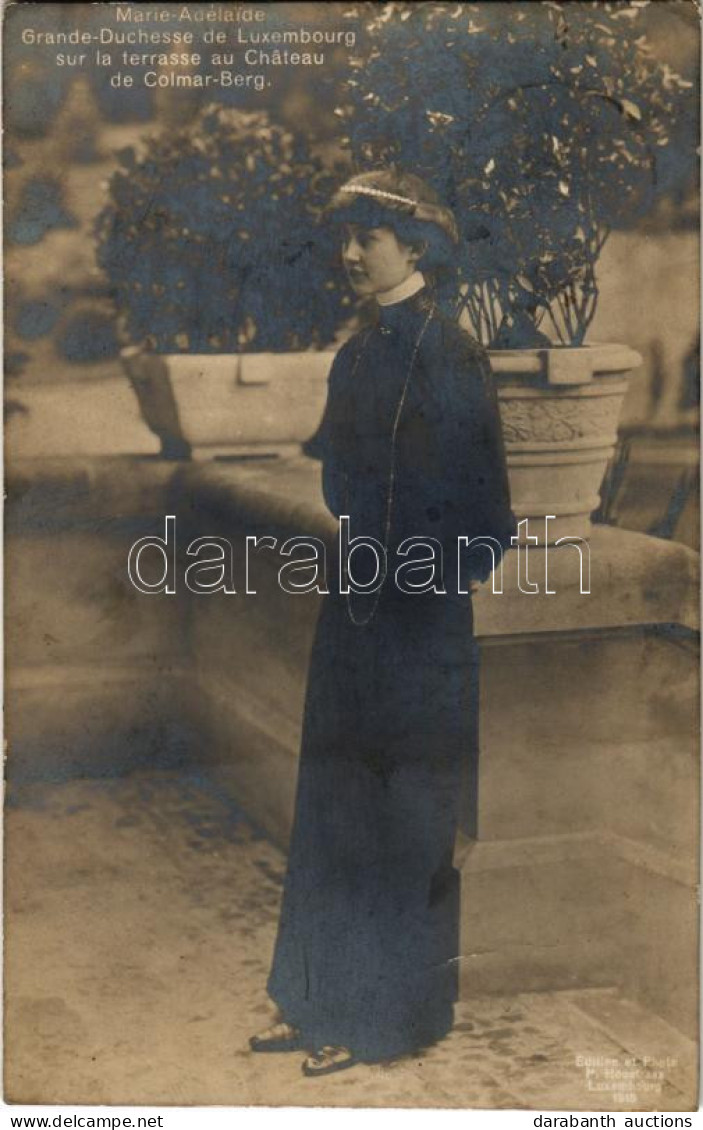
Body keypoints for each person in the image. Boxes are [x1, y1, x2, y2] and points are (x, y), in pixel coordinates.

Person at [249, 168, 515, 1076]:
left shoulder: (453, 357)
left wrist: (421, 583)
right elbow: (335, 483)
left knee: (402, 818)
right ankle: (312, 1000)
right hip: (352, 609)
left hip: (421, 625)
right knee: (331, 804)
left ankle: (382, 1021)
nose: (352, 254)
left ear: (417, 248)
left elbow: (490, 519)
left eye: (369, 238)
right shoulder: (355, 356)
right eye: (349, 238)